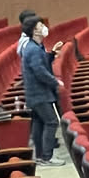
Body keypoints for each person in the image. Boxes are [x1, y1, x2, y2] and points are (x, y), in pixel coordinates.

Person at [19, 18, 62, 165]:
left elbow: (41, 63)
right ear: (35, 31)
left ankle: (40, 156)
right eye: (41, 25)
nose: (44, 27)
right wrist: (55, 81)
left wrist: (52, 54)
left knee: (39, 123)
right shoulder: (33, 49)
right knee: (52, 122)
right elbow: (40, 71)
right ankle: (46, 157)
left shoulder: (36, 47)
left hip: (36, 93)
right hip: (39, 94)